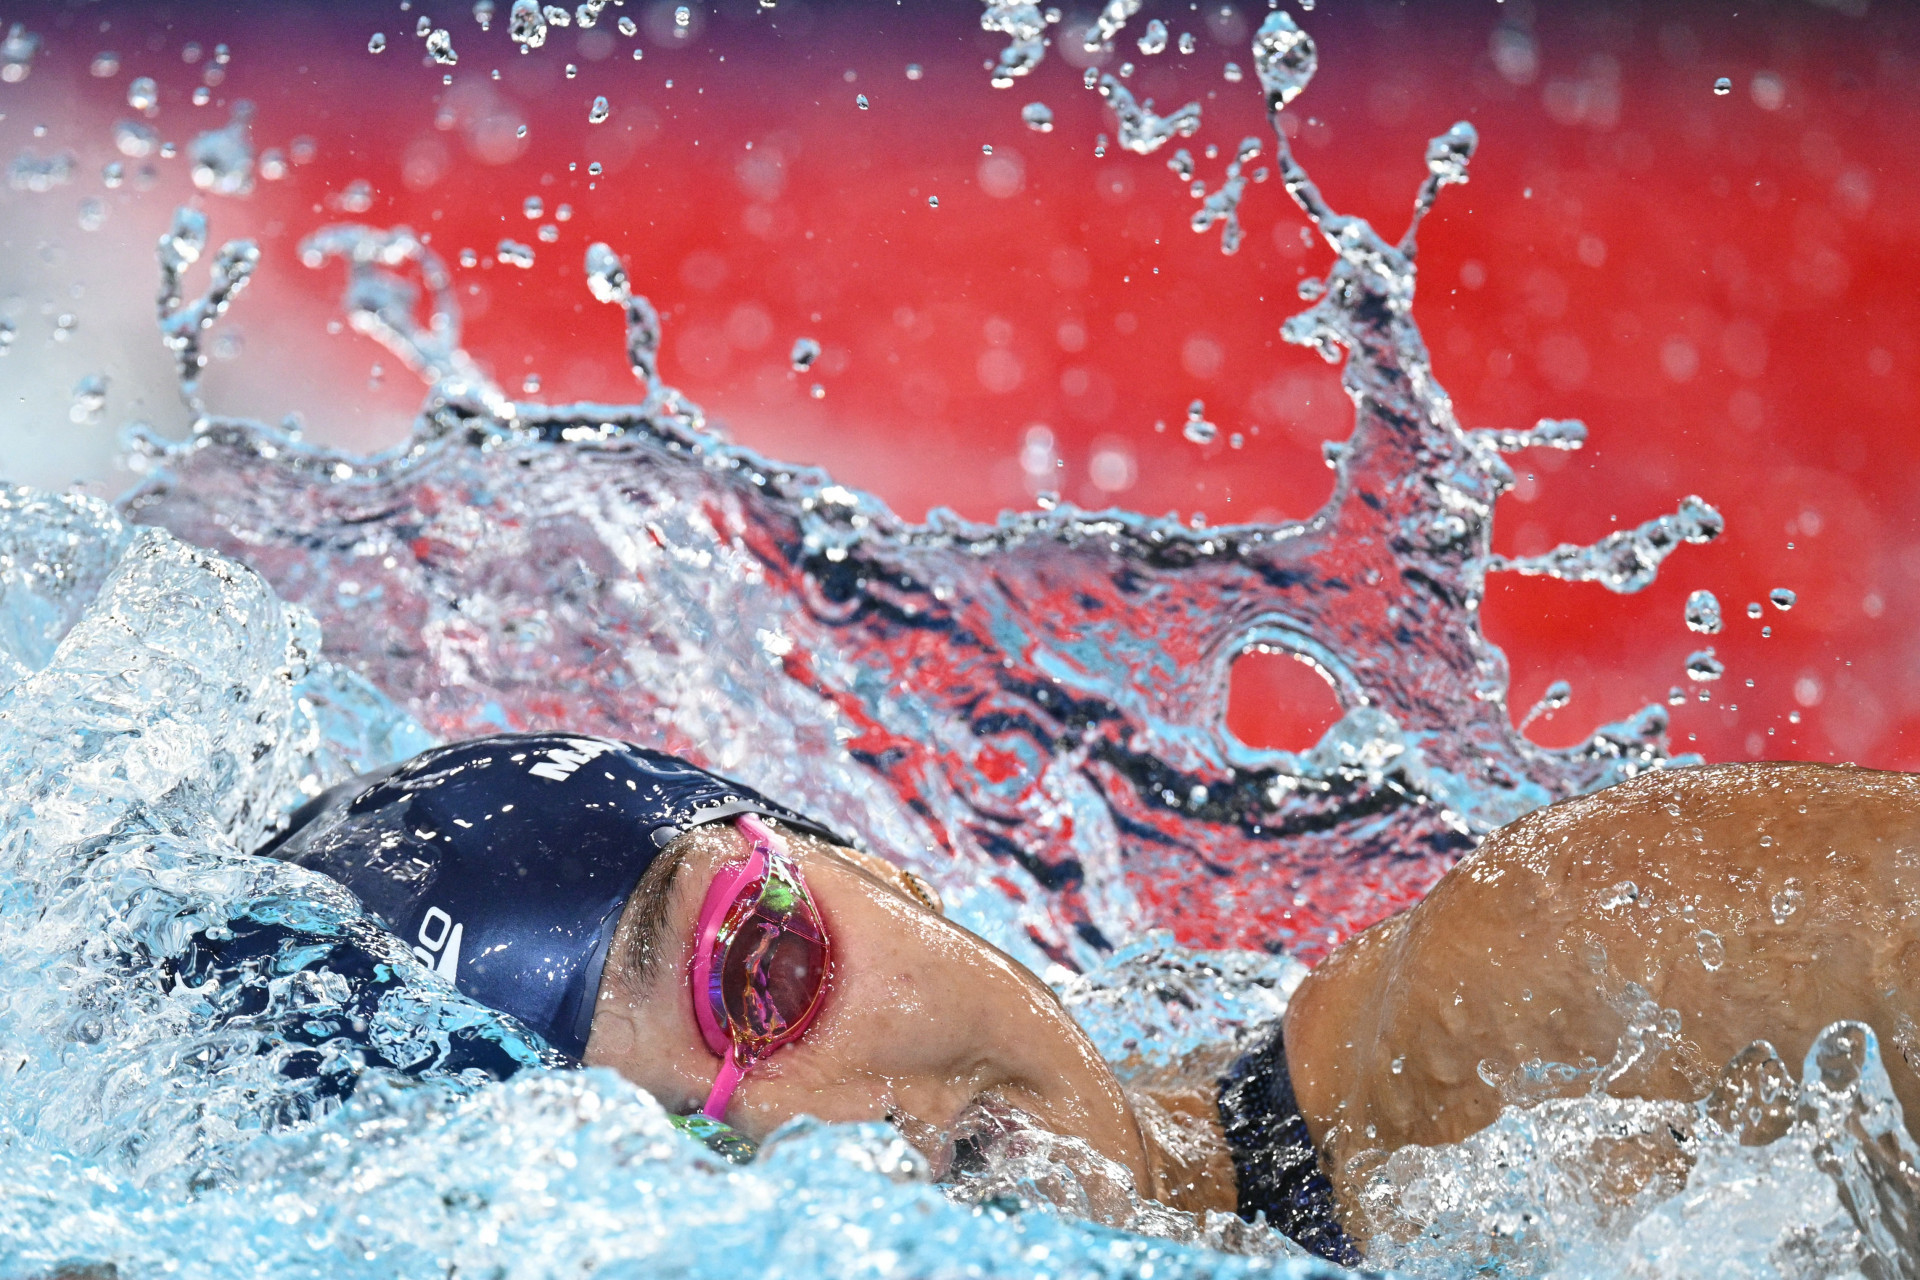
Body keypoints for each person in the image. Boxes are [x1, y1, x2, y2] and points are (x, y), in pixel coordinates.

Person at [256, 735, 1920, 1264]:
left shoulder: (1574, 990)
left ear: (877, 866)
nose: (855, 1139)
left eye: (768, 972)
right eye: (684, 1180)